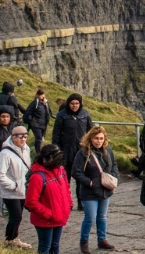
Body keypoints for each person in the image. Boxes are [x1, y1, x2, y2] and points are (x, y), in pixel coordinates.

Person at [72, 125, 119, 253]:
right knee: (90, 218)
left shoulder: (108, 150)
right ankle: (84, 241)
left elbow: (114, 165)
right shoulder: (83, 152)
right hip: (89, 191)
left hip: (105, 190)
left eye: (101, 138)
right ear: (90, 138)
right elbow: (76, 172)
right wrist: (90, 183)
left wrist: (114, 177)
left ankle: (102, 239)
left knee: (102, 217)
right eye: (96, 138)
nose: (99, 141)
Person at [25, 144, 72, 254]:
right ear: (46, 159)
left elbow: (66, 188)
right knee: (45, 248)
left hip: (59, 217)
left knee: (55, 246)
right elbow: (31, 202)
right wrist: (49, 214)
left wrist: (69, 204)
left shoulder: (61, 170)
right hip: (45, 220)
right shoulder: (37, 177)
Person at [52, 93, 93, 210]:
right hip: (65, 151)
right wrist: (57, 151)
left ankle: (81, 203)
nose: (74, 106)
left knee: (81, 178)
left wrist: (91, 147)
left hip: (81, 152)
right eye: (72, 103)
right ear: (68, 104)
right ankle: (66, 202)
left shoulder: (85, 114)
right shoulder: (61, 115)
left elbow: (91, 131)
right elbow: (56, 134)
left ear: (80, 104)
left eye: (77, 103)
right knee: (65, 179)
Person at [0, 126, 33, 249]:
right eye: (20, 137)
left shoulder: (26, 149)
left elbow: (27, 167)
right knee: (16, 216)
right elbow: (1, 174)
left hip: (22, 189)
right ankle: (9, 241)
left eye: (25, 136)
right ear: (13, 137)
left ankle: (15, 239)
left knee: (18, 217)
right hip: (10, 191)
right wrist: (13, 185)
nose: (23, 139)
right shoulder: (5, 154)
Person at [25, 87, 55, 155]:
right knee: (38, 138)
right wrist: (31, 120)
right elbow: (28, 112)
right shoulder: (35, 102)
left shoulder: (46, 103)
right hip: (35, 124)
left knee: (40, 139)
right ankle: (38, 154)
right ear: (37, 95)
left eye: (42, 94)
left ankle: (39, 152)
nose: (41, 96)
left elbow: (49, 112)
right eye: (40, 94)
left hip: (43, 125)